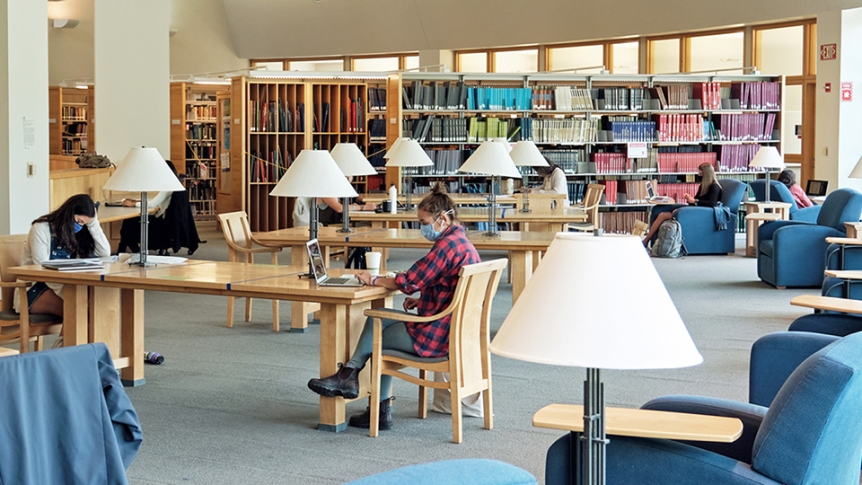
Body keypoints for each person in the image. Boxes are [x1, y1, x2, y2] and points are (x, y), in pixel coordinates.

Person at [307, 183, 481, 430]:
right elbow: (456, 291)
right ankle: (358, 386)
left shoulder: (446, 247)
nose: (422, 227)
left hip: (436, 335)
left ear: (442, 219)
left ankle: (353, 381)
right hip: (453, 328)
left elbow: (410, 281)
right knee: (379, 321)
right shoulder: (461, 242)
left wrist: (374, 279)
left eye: (423, 222)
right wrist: (424, 300)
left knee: (378, 328)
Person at [16, 194, 110, 319]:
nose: (79, 227)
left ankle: (67, 339)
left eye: (84, 224)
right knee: (78, 311)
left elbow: (104, 253)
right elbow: (42, 268)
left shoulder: (78, 231)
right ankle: (65, 340)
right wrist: (67, 292)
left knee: (92, 309)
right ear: (68, 214)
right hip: (35, 288)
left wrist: (93, 224)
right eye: (78, 221)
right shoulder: (41, 229)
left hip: (64, 285)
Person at [642, 162, 723, 246]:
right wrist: (690, 199)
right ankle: (649, 241)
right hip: (695, 208)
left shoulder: (714, 187)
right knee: (661, 212)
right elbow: (696, 199)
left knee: (666, 214)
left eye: (700, 173)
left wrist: (695, 201)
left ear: (706, 175)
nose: (698, 175)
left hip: (700, 212)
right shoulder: (703, 186)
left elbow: (712, 203)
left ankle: (646, 240)